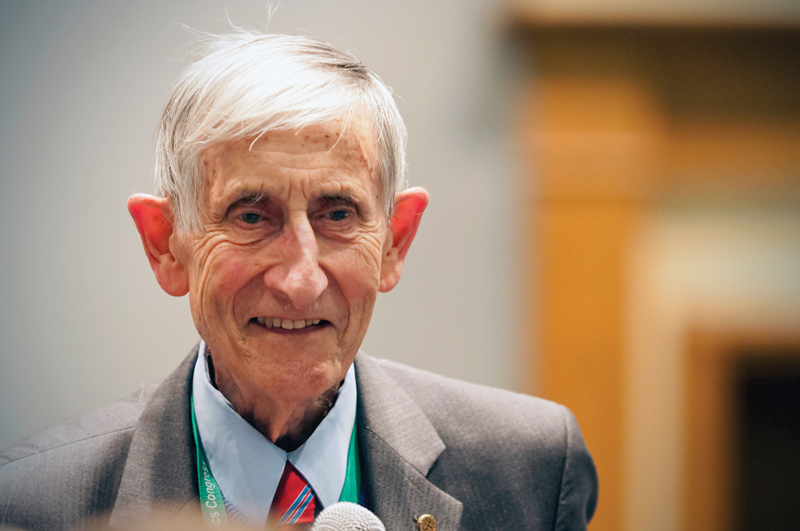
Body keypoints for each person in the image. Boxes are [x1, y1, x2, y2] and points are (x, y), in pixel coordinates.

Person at [0, 31, 597, 530]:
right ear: (165, 245)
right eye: (251, 216)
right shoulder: (33, 502)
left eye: (337, 214)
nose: (300, 281)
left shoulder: (531, 469)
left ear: (395, 241)